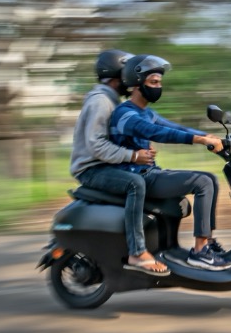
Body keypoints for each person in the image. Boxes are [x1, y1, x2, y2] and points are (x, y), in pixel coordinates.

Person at [108, 54, 231, 271]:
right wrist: (199, 140)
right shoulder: (125, 114)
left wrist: (207, 135)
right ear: (137, 84)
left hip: (150, 173)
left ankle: (206, 243)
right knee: (203, 181)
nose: (158, 87)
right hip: (139, 177)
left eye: (159, 83)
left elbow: (174, 128)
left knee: (209, 179)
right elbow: (156, 132)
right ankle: (200, 251)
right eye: (153, 82)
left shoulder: (146, 112)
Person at [70, 49, 170, 277]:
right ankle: (137, 251)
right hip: (92, 169)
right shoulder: (101, 102)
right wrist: (133, 156)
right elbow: (96, 146)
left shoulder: (113, 101)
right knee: (135, 183)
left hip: (106, 163)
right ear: (118, 75)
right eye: (128, 73)